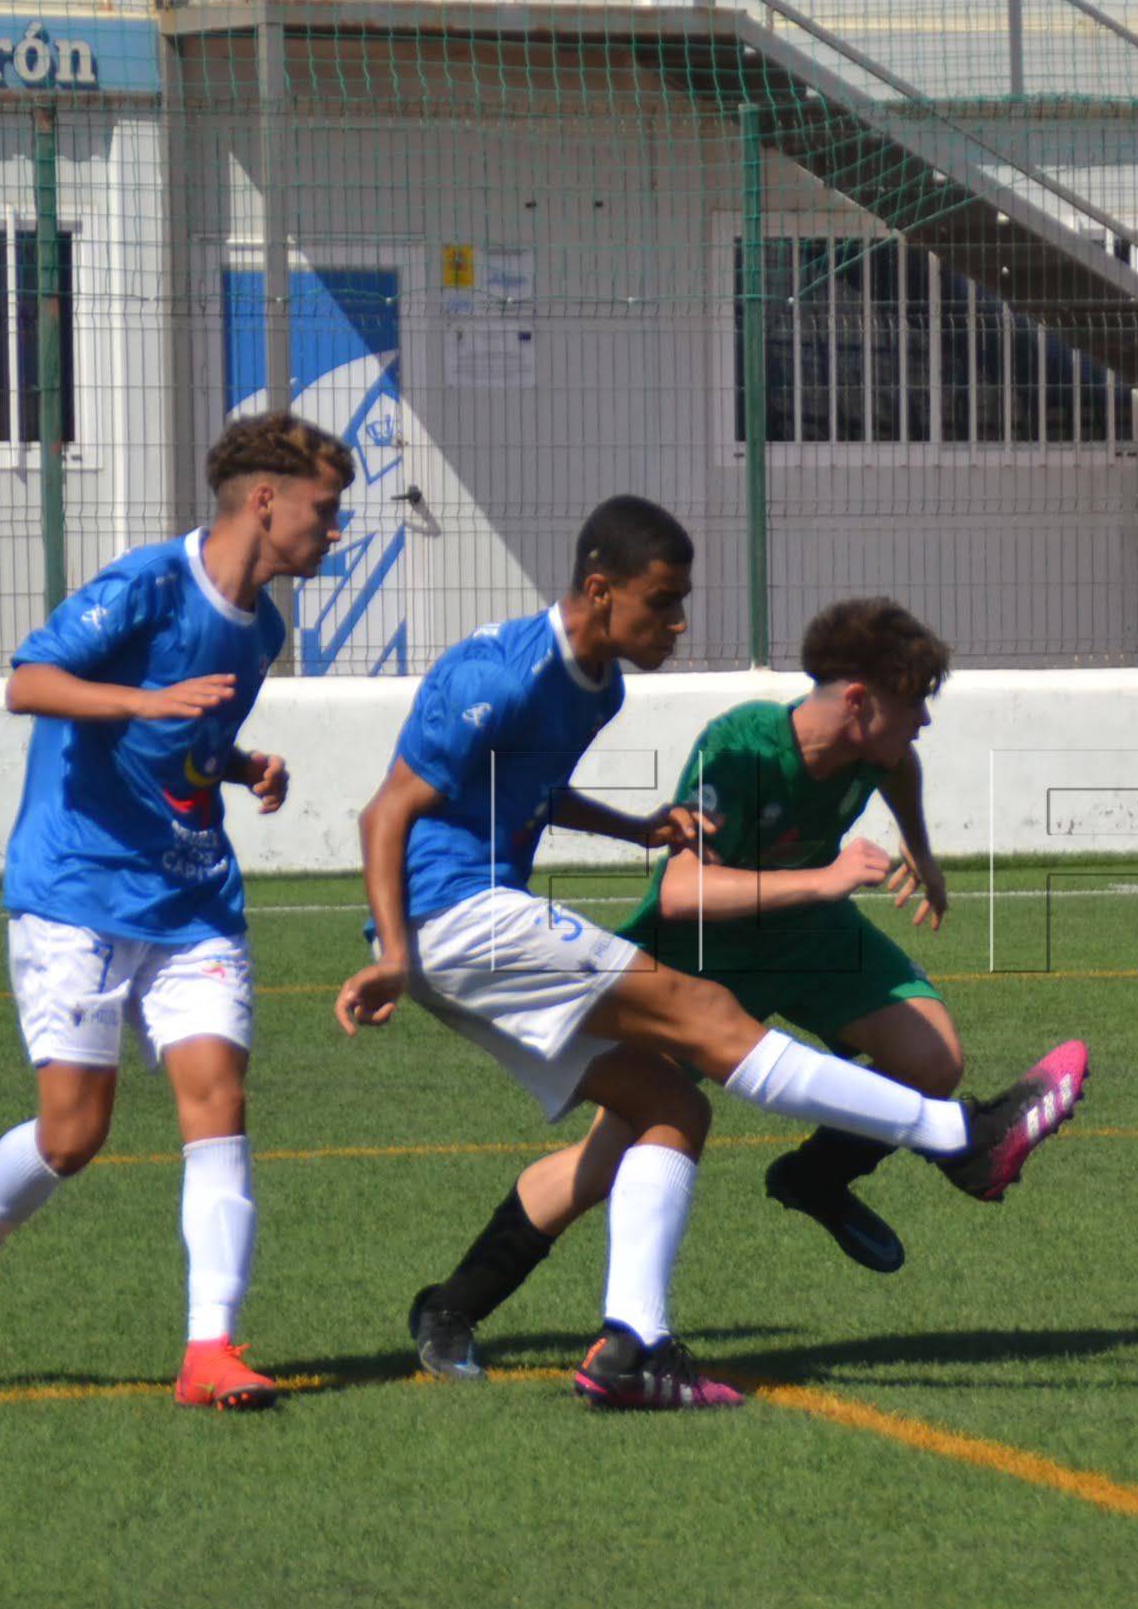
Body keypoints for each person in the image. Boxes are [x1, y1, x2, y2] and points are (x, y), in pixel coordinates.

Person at [334, 497, 1088, 1412]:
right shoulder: (506, 671)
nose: (680, 623)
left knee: (672, 1108)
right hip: (456, 918)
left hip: (470, 923)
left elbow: (522, 786)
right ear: (602, 590)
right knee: (710, 1020)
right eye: (664, 602)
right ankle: (958, 1137)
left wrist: (629, 825)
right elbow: (386, 812)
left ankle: (628, 1349)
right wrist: (392, 951)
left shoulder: (596, 685)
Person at [0, 412, 354, 1411]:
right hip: (76, 886)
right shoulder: (149, 586)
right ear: (264, 502)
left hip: (193, 893)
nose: (334, 532)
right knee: (73, 1136)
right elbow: (28, 682)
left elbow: (189, 747)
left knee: (218, 1105)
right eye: (325, 513)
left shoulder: (266, 630)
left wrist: (239, 764)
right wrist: (141, 703)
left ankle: (212, 1348)